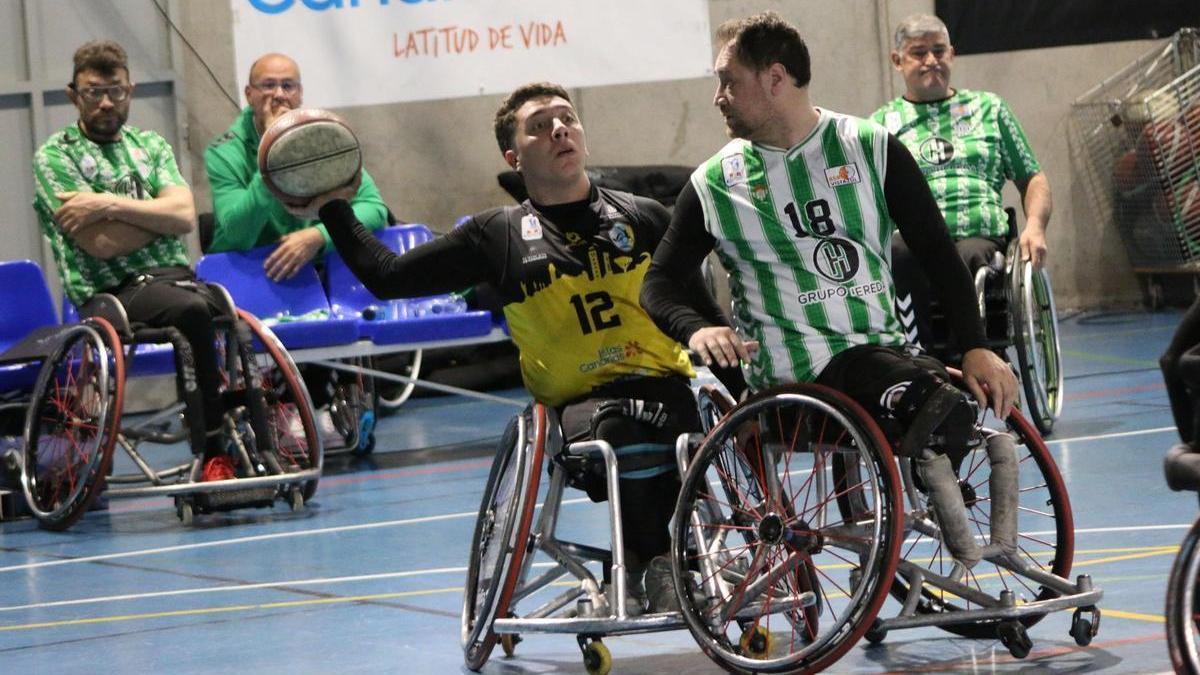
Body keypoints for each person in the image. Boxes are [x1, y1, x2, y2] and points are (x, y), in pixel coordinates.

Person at [289, 82, 740, 612]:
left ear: (584, 139)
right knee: (625, 431)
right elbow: (387, 276)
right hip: (579, 405)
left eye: (566, 118)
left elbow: (707, 320)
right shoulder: (496, 235)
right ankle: (655, 563)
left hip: (665, 385)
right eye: (539, 125)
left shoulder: (646, 217)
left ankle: (659, 564)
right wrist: (334, 205)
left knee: (678, 424)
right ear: (514, 156)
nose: (559, 129)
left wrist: (746, 401)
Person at [640, 12, 1017, 568]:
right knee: (916, 395)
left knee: (954, 397)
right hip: (795, 382)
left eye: (729, 81)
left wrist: (976, 345)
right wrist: (699, 328)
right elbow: (659, 283)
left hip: (881, 355)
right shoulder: (715, 182)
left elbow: (938, 253)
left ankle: (994, 546)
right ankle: (931, 447)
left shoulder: (869, 146)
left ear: (775, 78)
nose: (718, 97)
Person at [32, 40, 233, 481]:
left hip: (174, 277)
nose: (106, 102)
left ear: (131, 90)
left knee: (229, 311)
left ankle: (246, 429)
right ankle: (214, 450)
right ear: (73, 95)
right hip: (112, 292)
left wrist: (107, 203)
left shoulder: (151, 145)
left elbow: (182, 216)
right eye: (93, 92)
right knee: (193, 311)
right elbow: (101, 244)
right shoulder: (55, 157)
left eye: (116, 91)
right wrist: (154, 216)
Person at [870, 14, 1052, 350]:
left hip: (978, 236)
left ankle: (973, 355)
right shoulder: (881, 126)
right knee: (898, 254)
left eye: (939, 51)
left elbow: (1033, 177)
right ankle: (917, 357)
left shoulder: (989, 109)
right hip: (913, 240)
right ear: (897, 61)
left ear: (952, 54)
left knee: (967, 257)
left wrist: (1036, 227)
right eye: (919, 53)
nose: (931, 61)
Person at [204, 53, 388, 281]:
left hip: (317, 265)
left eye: (288, 86)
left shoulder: (321, 136)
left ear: (300, 94)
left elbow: (374, 208)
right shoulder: (225, 153)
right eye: (269, 85)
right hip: (253, 270)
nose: (279, 95)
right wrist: (274, 154)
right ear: (249, 95)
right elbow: (237, 235)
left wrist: (319, 235)